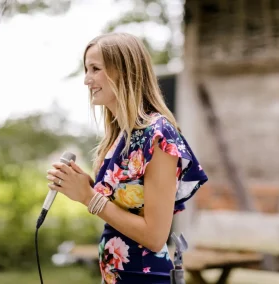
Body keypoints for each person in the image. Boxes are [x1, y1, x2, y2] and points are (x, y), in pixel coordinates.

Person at [46, 32, 208, 284]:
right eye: (86, 70)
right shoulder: (119, 137)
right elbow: (122, 209)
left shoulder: (158, 135)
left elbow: (155, 236)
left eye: (95, 69)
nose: (87, 80)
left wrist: (90, 197)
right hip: (116, 275)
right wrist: (82, 186)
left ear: (123, 71)